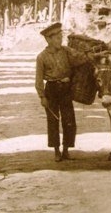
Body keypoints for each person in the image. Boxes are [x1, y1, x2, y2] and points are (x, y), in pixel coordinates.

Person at [35, 22, 90, 162]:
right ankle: (57, 151)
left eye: (61, 37)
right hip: (51, 90)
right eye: (57, 38)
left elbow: (81, 58)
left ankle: (66, 150)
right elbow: (39, 79)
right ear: (49, 39)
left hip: (65, 90)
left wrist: (92, 54)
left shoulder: (67, 51)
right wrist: (42, 96)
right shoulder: (41, 57)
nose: (60, 40)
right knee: (53, 121)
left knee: (69, 120)